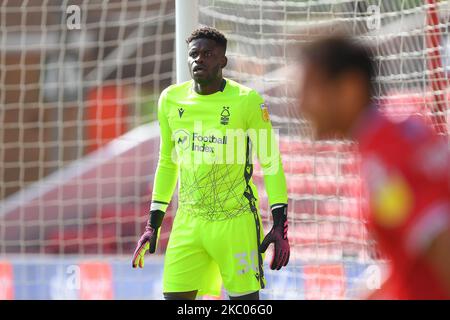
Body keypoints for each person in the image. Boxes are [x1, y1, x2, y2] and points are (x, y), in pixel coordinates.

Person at [132, 26, 289, 300]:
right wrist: (152, 224)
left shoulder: (247, 102)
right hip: (188, 222)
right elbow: (167, 163)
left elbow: (271, 163)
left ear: (223, 61)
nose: (198, 59)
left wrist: (279, 224)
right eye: (193, 54)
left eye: (207, 54)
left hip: (235, 222)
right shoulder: (170, 99)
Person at [297, 35, 450, 299]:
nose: (301, 104)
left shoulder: (383, 159)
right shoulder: (396, 134)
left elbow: (442, 241)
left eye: (311, 87)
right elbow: (417, 253)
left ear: (349, 88)